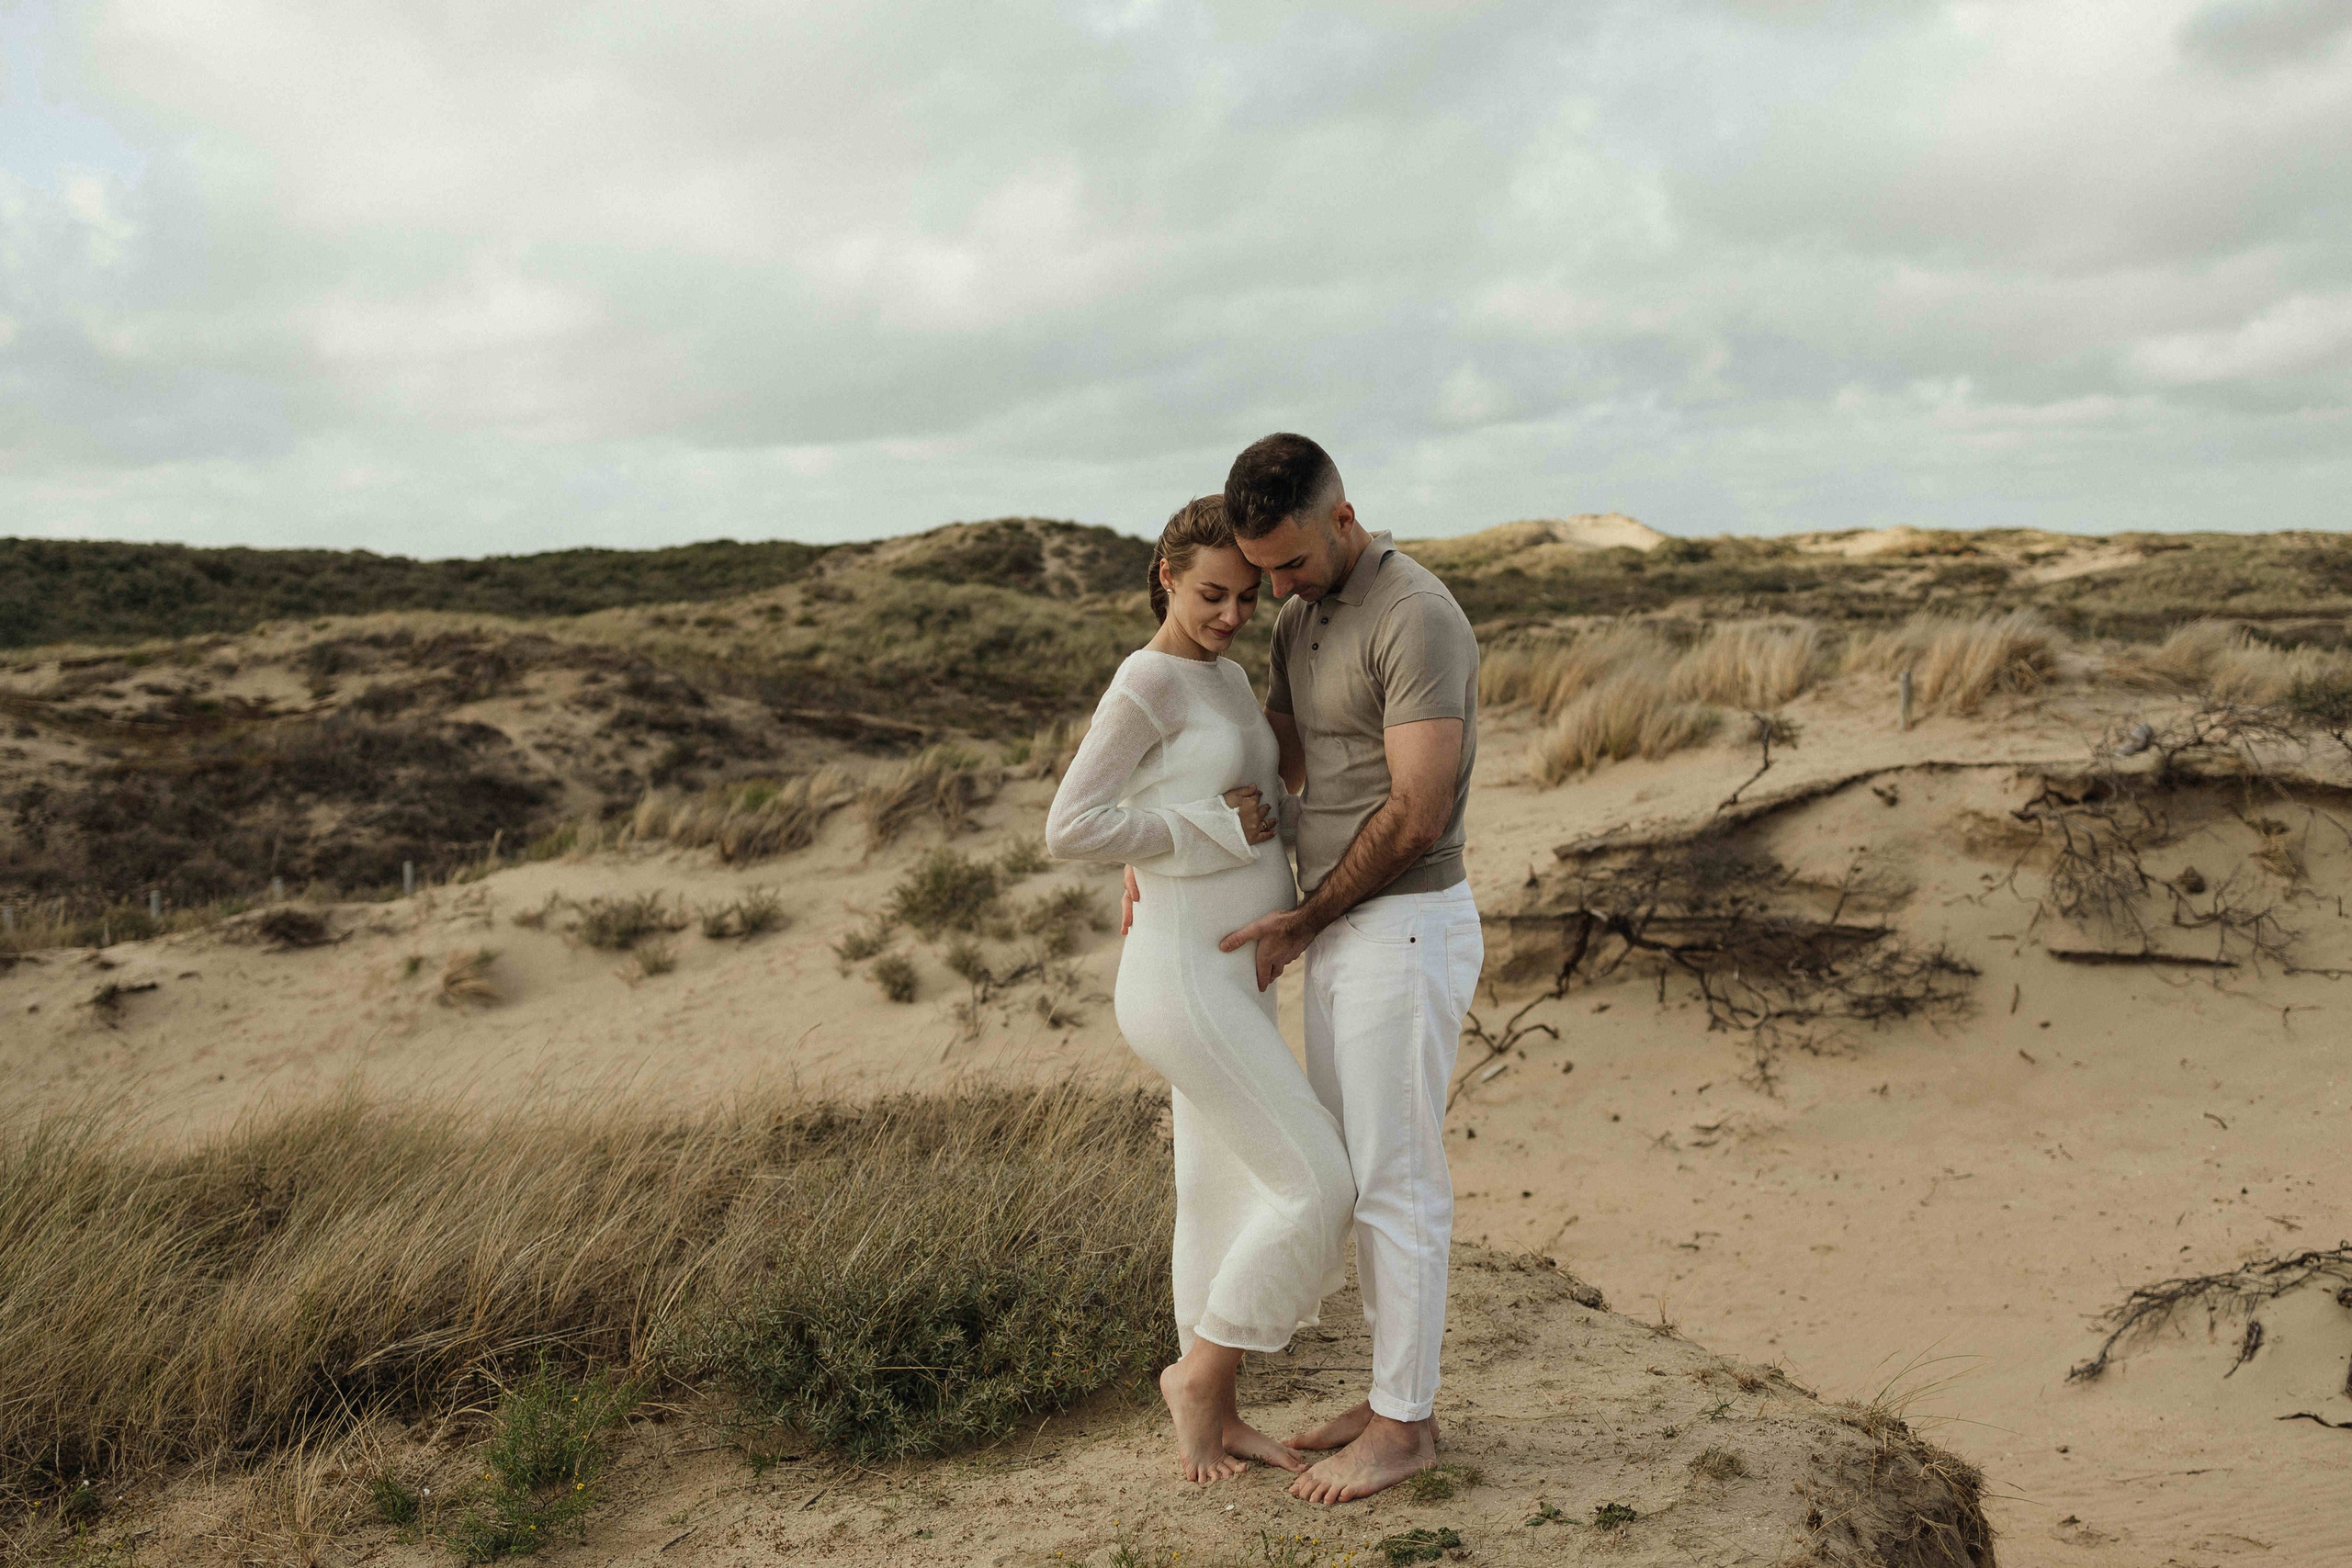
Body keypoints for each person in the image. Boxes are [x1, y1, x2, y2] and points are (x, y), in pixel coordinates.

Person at [1044, 495, 1356, 1485]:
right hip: (1182, 982)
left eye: (1244, 597)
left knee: (1217, 1195)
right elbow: (1071, 826)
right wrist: (1200, 833)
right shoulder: (1145, 681)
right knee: (1318, 1184)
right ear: (1167, 577)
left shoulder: (1221, 677)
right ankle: (1197, 1376)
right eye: (1210, 595)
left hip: (1231, 976)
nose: (1229, 615)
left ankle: (1217, 1419)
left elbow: (1251, 797)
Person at [1216, 432, 1483, 1505]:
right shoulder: (1295, 616)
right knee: (1356, 1177)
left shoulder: (1416, 614)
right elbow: (1287, 766)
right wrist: (1192, 825)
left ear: (1342, 517)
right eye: (1260, 568)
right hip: (1333, 927)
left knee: (1397, 1178)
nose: (1273, 586)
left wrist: (1303, 919)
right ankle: (1387, 1400)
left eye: (1286, 561)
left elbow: (1417, 813)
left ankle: (1407, 1429)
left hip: (1403, 926)